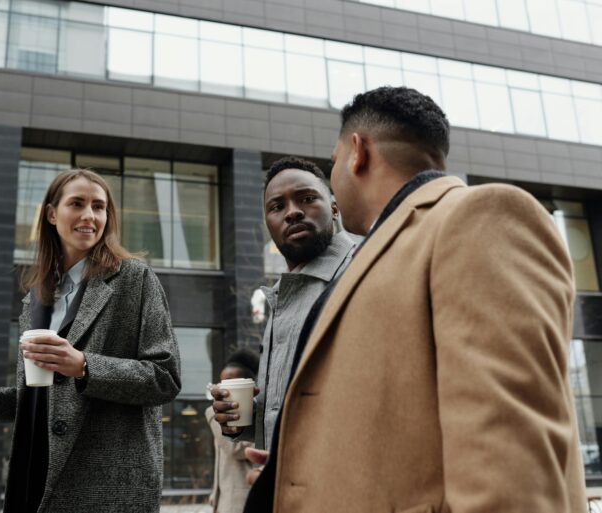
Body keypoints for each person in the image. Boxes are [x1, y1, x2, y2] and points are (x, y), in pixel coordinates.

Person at [245, 86, 587, 512]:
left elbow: (508, 456)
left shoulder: (481, 216)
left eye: (332, 165)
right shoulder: (381, 255)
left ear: (357, 152)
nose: (333, 180)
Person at [0, 169, 181, 513]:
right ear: (52, 213)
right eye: (77, 203)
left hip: (104, 488)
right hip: (34, 477)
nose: (90, 215)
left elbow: (165, 378)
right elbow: (45, 397)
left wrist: (84, 366)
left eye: (99, 207)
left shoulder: (134, 279)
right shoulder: (38, 298)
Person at [211, 156, 358, 453]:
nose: (292, 212)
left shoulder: (362, 273)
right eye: (277, 207)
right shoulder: (282, 295)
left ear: (333, 206)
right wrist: (245, 420)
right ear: (268, 222)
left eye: (307, 199)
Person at [205, 349, 260, 513]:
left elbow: (234, 449)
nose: (224, 386)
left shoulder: (256, 413)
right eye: (222, 381)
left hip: (241, 499)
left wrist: (211, 414)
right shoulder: (222, 412)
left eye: (230, 380)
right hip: (223, 499)